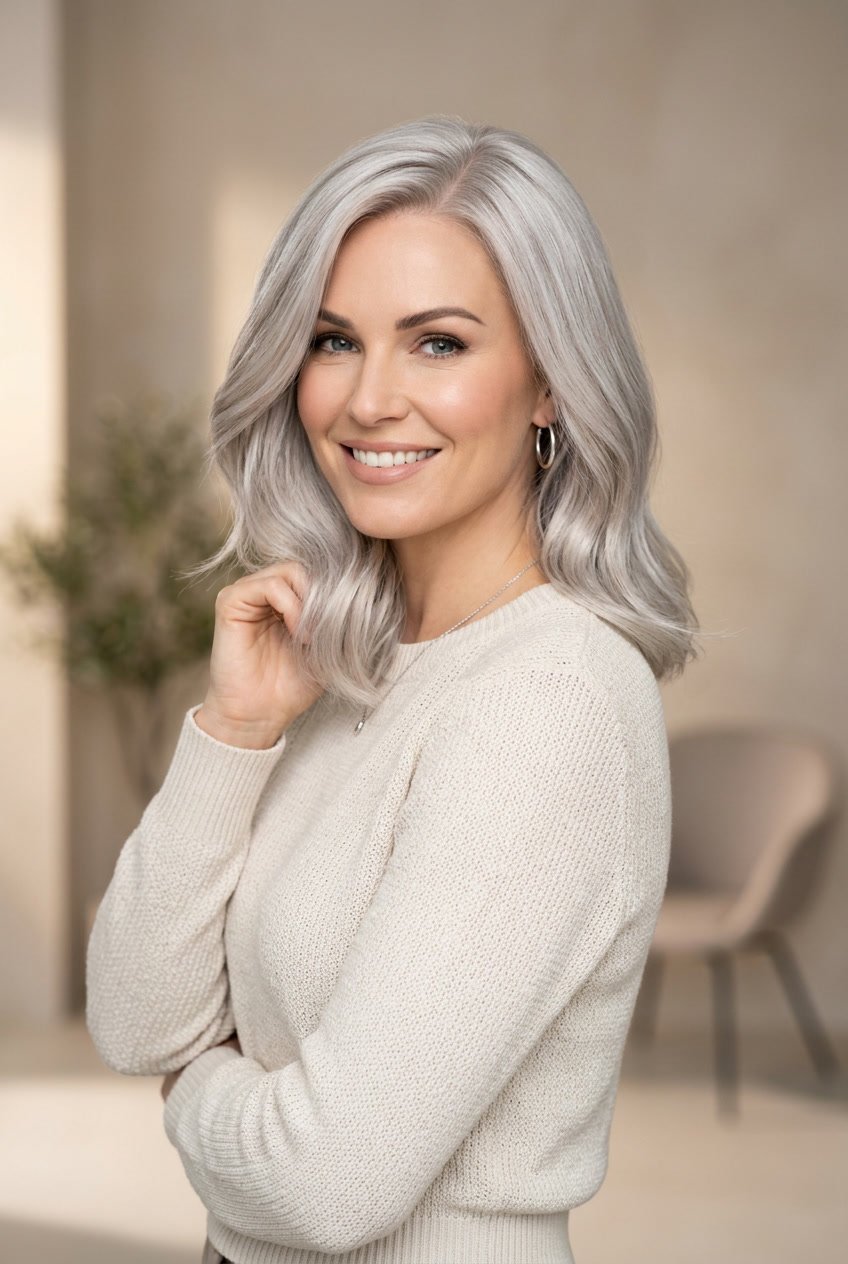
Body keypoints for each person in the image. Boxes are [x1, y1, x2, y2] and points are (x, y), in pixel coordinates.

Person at [86, 115, 700, 1264]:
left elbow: (324, 1184)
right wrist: (234, 733)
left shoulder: (546, 698)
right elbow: (128, 1017)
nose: (368, 400)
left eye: (437, 344)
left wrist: (189, 1087)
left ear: (549, 387)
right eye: (331, 340)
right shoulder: (338, 661)